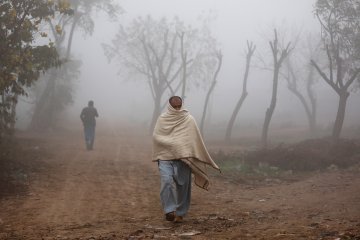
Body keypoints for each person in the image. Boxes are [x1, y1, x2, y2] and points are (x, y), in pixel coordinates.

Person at [152, 96, 220, 223]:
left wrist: (182, 147)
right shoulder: (163, 119)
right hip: (165, 157)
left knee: (183, 186)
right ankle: (169, 210)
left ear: (182, 105)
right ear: (169, 106)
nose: (177, 109)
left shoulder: (189, 119)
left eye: (179, 106)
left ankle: (180, 213)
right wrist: (173, 143)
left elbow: (193, 139)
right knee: (166, 181)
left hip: (184, 158)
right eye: (174, 106)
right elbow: (156, 136)